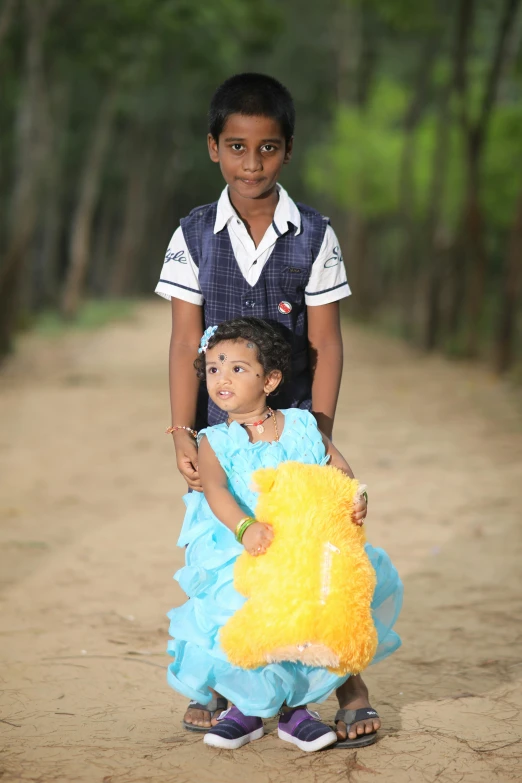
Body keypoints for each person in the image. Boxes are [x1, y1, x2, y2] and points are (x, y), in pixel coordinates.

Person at [156, 72, 380, 745]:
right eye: (236, 147)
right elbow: (181, 343)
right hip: (223, 433)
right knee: (229, 549)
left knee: (317, 555)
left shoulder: (314, 234)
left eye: (268, 148)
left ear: (287, 150)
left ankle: (344, 681)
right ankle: (228, 682)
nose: (252, 164)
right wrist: (182, 434)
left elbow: (327, 342)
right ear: (213, 149)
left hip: (297, 427)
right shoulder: (193, 234)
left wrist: (321, 436)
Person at [166, 318, 402, 752]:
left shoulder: (302, 425)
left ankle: (298, 711)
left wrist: (356, 497)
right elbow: (215, 490)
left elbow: (340, 470)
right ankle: (245, 708)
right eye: (214, 368)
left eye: (238, 369)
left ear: (271, 379)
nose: (222, 378)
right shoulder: (214, 439)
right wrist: (245, 527)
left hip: (300, 545)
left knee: (307, 613)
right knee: (241, 609)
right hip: (247, 543)